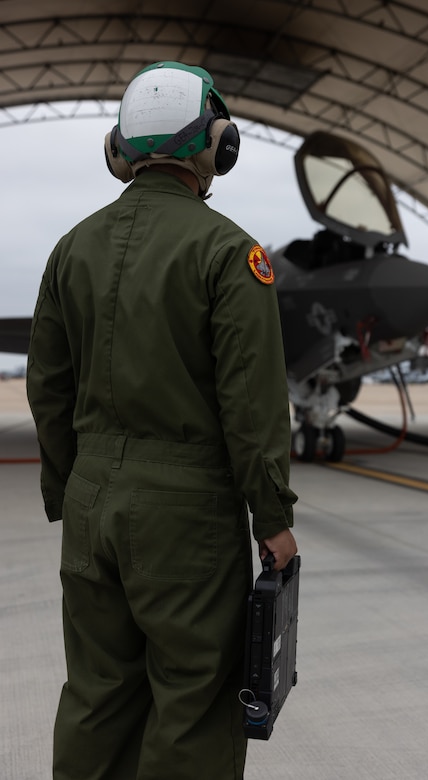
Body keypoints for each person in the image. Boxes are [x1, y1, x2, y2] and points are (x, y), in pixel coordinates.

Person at [26, 61, 298, 780]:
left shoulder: (69, 250)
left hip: (90, 509)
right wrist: (272, 518)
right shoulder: (229, 253)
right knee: (193, 700)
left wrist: (68, 486)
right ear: (218, 145)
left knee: (97, 691)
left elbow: (47, 387)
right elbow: (253, 404)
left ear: (120, 150)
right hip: (186, 518)